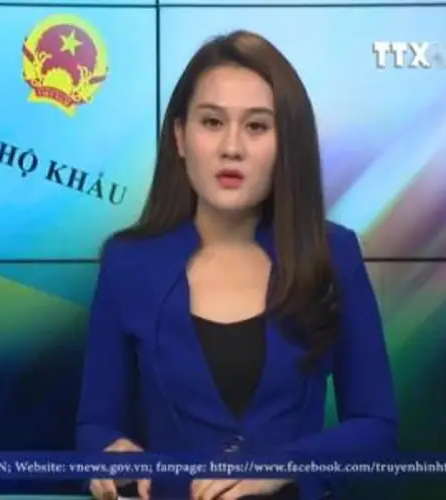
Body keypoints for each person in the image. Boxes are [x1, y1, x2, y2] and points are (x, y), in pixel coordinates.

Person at [76, 30, 398, 500]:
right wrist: (108, 453)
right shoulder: (128, 262)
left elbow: (375, 427)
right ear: (180, 137)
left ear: (287, 144)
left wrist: (282, 466)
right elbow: (95, 424)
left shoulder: (334, 254)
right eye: (212, 122)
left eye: (257, 127)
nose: (232, 147)